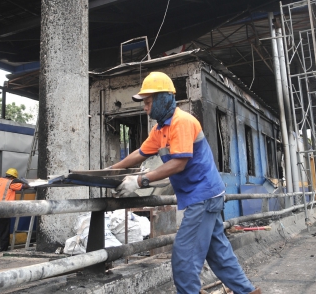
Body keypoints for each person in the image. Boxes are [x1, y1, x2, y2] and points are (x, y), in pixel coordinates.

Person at [110, 72, 260, 294]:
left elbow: (178, 164)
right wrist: (111, 170)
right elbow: (140, 153)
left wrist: (141, 181)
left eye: (149, 102)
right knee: (218, 254)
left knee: (184, 256)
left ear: (163, 98)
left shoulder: (182, 122)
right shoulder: (160, 130)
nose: (145, 108)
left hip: (204, 197)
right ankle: (248, 291)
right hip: (205, 196)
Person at [0, 168, 29, 254]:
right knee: (4, 233)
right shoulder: (11, 183)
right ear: (13, 177)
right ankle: (4, 251)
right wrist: (25, 182)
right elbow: (24, 186)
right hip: (2, 210)